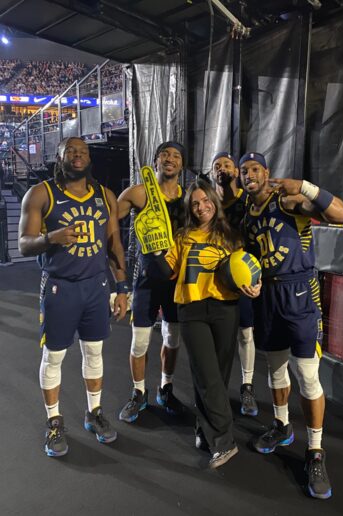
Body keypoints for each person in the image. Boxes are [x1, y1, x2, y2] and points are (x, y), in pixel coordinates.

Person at [239, 152, 343, 499]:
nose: (248, 175)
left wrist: (304, 186)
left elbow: (342, 214)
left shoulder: (286, 202)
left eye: (254, 169)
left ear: (266, 172)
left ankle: (315, 451)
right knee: (275, 370)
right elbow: (250, 260)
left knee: (307, 375)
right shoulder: (247, 216)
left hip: (299, 293)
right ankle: (282, 426)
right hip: (268, 298)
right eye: (243, 171)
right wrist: (249, 282)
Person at [18, 137, 128, 457]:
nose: (78, 156)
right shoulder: (41, 194)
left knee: (94, 352)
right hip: (60, 287)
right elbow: (24, 244)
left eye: (83, 151)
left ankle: (94, 413)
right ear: (60, 157)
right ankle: (54, 421)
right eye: (71, 151)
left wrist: (122, 288)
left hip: (96, 286)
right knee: (54, 356)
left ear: (89, 158)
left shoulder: (105, 195)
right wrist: (51, 237)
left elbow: (114, 244)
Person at [146, 178, 261, 468]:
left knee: (217, 377)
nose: (201, 207)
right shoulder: (183, 236)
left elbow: (248, 270)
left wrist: (255, 285)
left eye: (206, 200)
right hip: (192, 308)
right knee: (206, 374)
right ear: (190, 208)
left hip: (226, 308)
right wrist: (154, 249)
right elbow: (167, 271)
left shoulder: (232, 236)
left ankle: (204, 429)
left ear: (214, 201)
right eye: (195, 203)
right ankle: (224, 441)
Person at [117, 142, 186, 423]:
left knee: (172, 339)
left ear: (181, 165)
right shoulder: (139, 193)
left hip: (176, 280)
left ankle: (165, 388)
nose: (170, 159)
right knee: (140, 342)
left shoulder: (189, 198)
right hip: (146, 278)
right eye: (164, 154)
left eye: (176, 155)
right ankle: (138, 393)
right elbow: (106, 221)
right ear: (155, 161)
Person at [211, 152, 258, 416]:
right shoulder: (207, 203)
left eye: (227, 164)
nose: (222, 168)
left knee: (245, 332)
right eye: (217, 165)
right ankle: (217, 389)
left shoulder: (248, 200)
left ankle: (247, 387)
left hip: (241, 277)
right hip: (214, 278)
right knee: (217, 335)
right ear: (212, 172)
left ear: (236, 171)